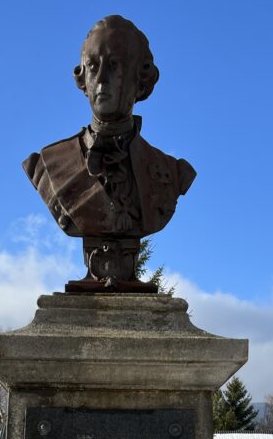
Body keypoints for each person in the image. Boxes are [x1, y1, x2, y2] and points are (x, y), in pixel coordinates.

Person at [23, 15, 195, 289]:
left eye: (115, 66)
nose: (101, 79)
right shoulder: (47, 165)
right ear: (82, 78)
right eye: (92, 66)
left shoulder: (172, 174)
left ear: (142, 79)